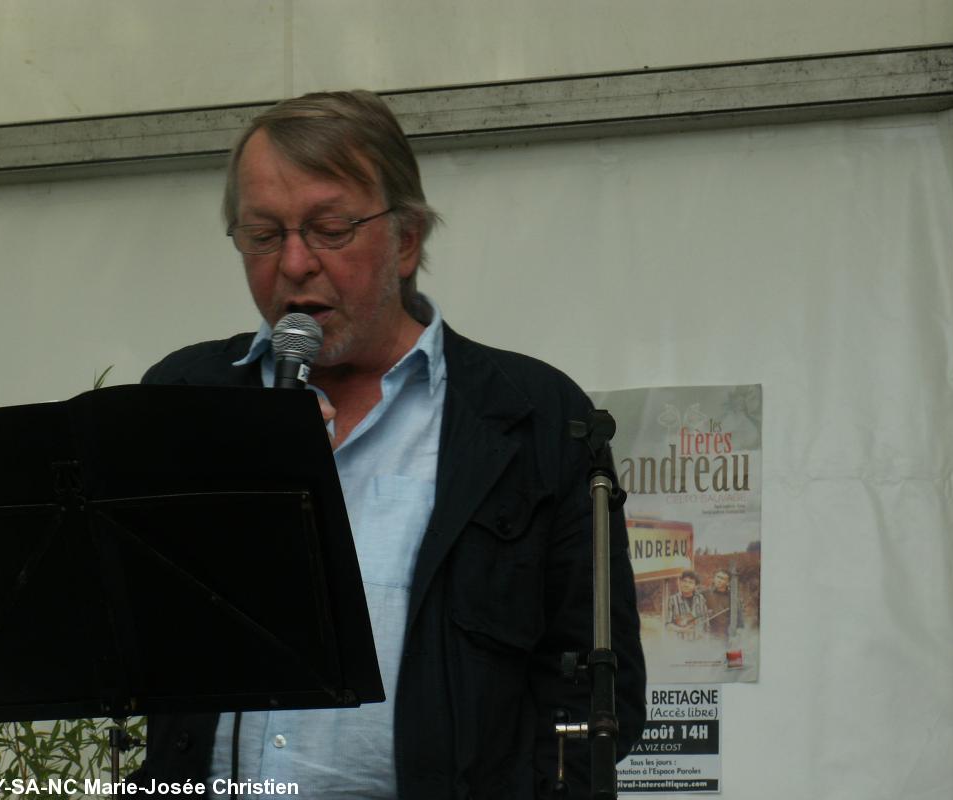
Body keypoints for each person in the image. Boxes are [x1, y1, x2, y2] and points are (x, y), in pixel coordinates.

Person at [130, 90, 645, 799]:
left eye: (330, 228)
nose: (295, 263)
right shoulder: (181, 397)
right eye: (262, 234)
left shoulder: (530, 417)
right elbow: (120, 632)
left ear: (405, 240)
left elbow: (595, 695)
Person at [665, 570, 708, 640]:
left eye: (690, 582)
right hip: (681, 643)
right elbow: (668, 624)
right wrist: (682, 630)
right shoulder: (673, 599)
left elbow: (706, 621)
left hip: (699, 643)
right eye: (684, 581)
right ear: (680, 582)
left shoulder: (700, 598)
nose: (686, 584)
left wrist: (706, 639)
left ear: (695, 586)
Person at [704, 568, 741, 640]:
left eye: (723, 578)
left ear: (728, 582)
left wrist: (735, 636)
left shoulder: (733, 598)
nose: (719, 580)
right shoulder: (705, 594)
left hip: (725, 636)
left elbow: (739, 618)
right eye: (718, 577)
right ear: (714, 578)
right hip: (707, 635)